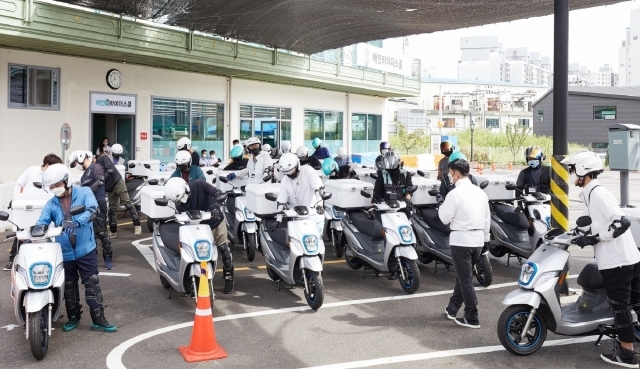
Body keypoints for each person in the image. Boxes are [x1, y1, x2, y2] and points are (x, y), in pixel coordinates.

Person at [562, 151, 640, 367]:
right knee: (633, 305)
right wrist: (578, 233)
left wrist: (593, 238)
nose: (572, 174)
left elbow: (620, 223)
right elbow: (598, 222)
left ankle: (627, 355)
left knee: (620, 307)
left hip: (618, 261)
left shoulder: (598, 193)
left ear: (583, 170)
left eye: (573, 170)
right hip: (625, 257)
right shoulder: (590, 193)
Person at [36, 164, 117, 333]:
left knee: (92, 283)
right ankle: (74, 317)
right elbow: (42, 221)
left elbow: (93, 210)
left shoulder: (84, 192)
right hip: (64, 252)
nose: (54, 189)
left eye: (57, 185)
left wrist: (78, 221)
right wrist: (37, 230)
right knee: (69, 286)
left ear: (66, 181)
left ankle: (98, 319)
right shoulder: (51, 204)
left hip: (85, 249)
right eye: (51, 187)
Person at [439, 157, 490, 329]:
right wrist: (486, 239)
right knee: (463, 276)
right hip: (477, 241)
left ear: (456, 174)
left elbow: (444, 218)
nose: (450, 177)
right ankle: (452, 308)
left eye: (450, 174)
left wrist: (441, 206)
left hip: (461, 241)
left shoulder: (454, 194)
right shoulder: (480, 193)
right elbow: (486, 219)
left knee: (465, 279)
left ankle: (472, 317)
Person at [164, 177, 235, 293]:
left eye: (182, 197)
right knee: (198, 252)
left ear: (185, 188)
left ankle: (229, 276)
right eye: (178, 200)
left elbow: (216, 193)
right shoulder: (179, 203)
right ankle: (193, 277)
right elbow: (182, 218)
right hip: (198, 228)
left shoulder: (199, 184)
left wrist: (216, 205)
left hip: (215, 221)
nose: (182, 201)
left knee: (224, 249)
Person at [4, 154, 63, 271]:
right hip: (26, 208)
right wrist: (18, 199)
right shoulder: (31, 171)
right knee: (21, 233)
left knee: (44, 233)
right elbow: (19, 184)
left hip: (42, 208)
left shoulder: (52, 176)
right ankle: (13, 259)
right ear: (46, 165)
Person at [370, 151, 413, 279]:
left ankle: (406, 259)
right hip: (385, 210)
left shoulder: (405, 174)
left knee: (407, 234)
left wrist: (408, 197)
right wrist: (372, 207)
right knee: (389, 236)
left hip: (402, 210)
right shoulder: (382, 175)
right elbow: (376, 193)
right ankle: (391, 266)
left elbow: (409, 188)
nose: (389, 166)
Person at [69, 151, 114, 270]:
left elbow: (100, 180)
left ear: (80, 157)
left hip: (99, 202)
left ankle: (108, 258)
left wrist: (87, 190)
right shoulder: (83, 176)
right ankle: (93, 259)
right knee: (90, 234)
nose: (76, 165)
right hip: (88, 206)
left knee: (102, 233)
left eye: (75, 163)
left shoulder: (96, 167)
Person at [272, 153, 325, 234]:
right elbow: (281, 202)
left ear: (297, 166)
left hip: (314, 217)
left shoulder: (308, 171)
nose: (289, 174)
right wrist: (278, 220)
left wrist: (319, 205)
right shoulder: (285, 180)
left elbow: (318, 189)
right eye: (286, 173)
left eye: (291, 171)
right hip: (295, 220)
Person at [97, 153, 142, 238]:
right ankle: (113, 232)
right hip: (110, 188)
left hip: (118, 183)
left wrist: (102, 177)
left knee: (127, 203)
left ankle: (137, 225)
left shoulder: (104, 158)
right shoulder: (95, 168)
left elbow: (110, 170)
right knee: (112, 209)